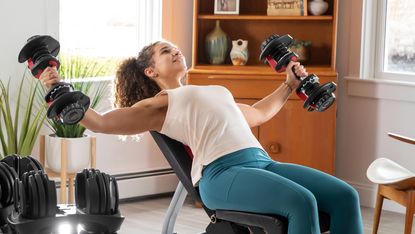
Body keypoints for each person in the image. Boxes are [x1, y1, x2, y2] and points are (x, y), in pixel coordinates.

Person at [40, 40, 363, 234]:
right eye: (166, 51)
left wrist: (289, 85)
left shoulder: (212, 92)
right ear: (151, 72)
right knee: (301, 201)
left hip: (262, 164)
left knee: (345, 196)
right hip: (223, 175)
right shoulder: (160, 104)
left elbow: (258, 114)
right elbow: (101, 123)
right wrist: (53, 86)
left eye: (174, 47)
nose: (175, 51)